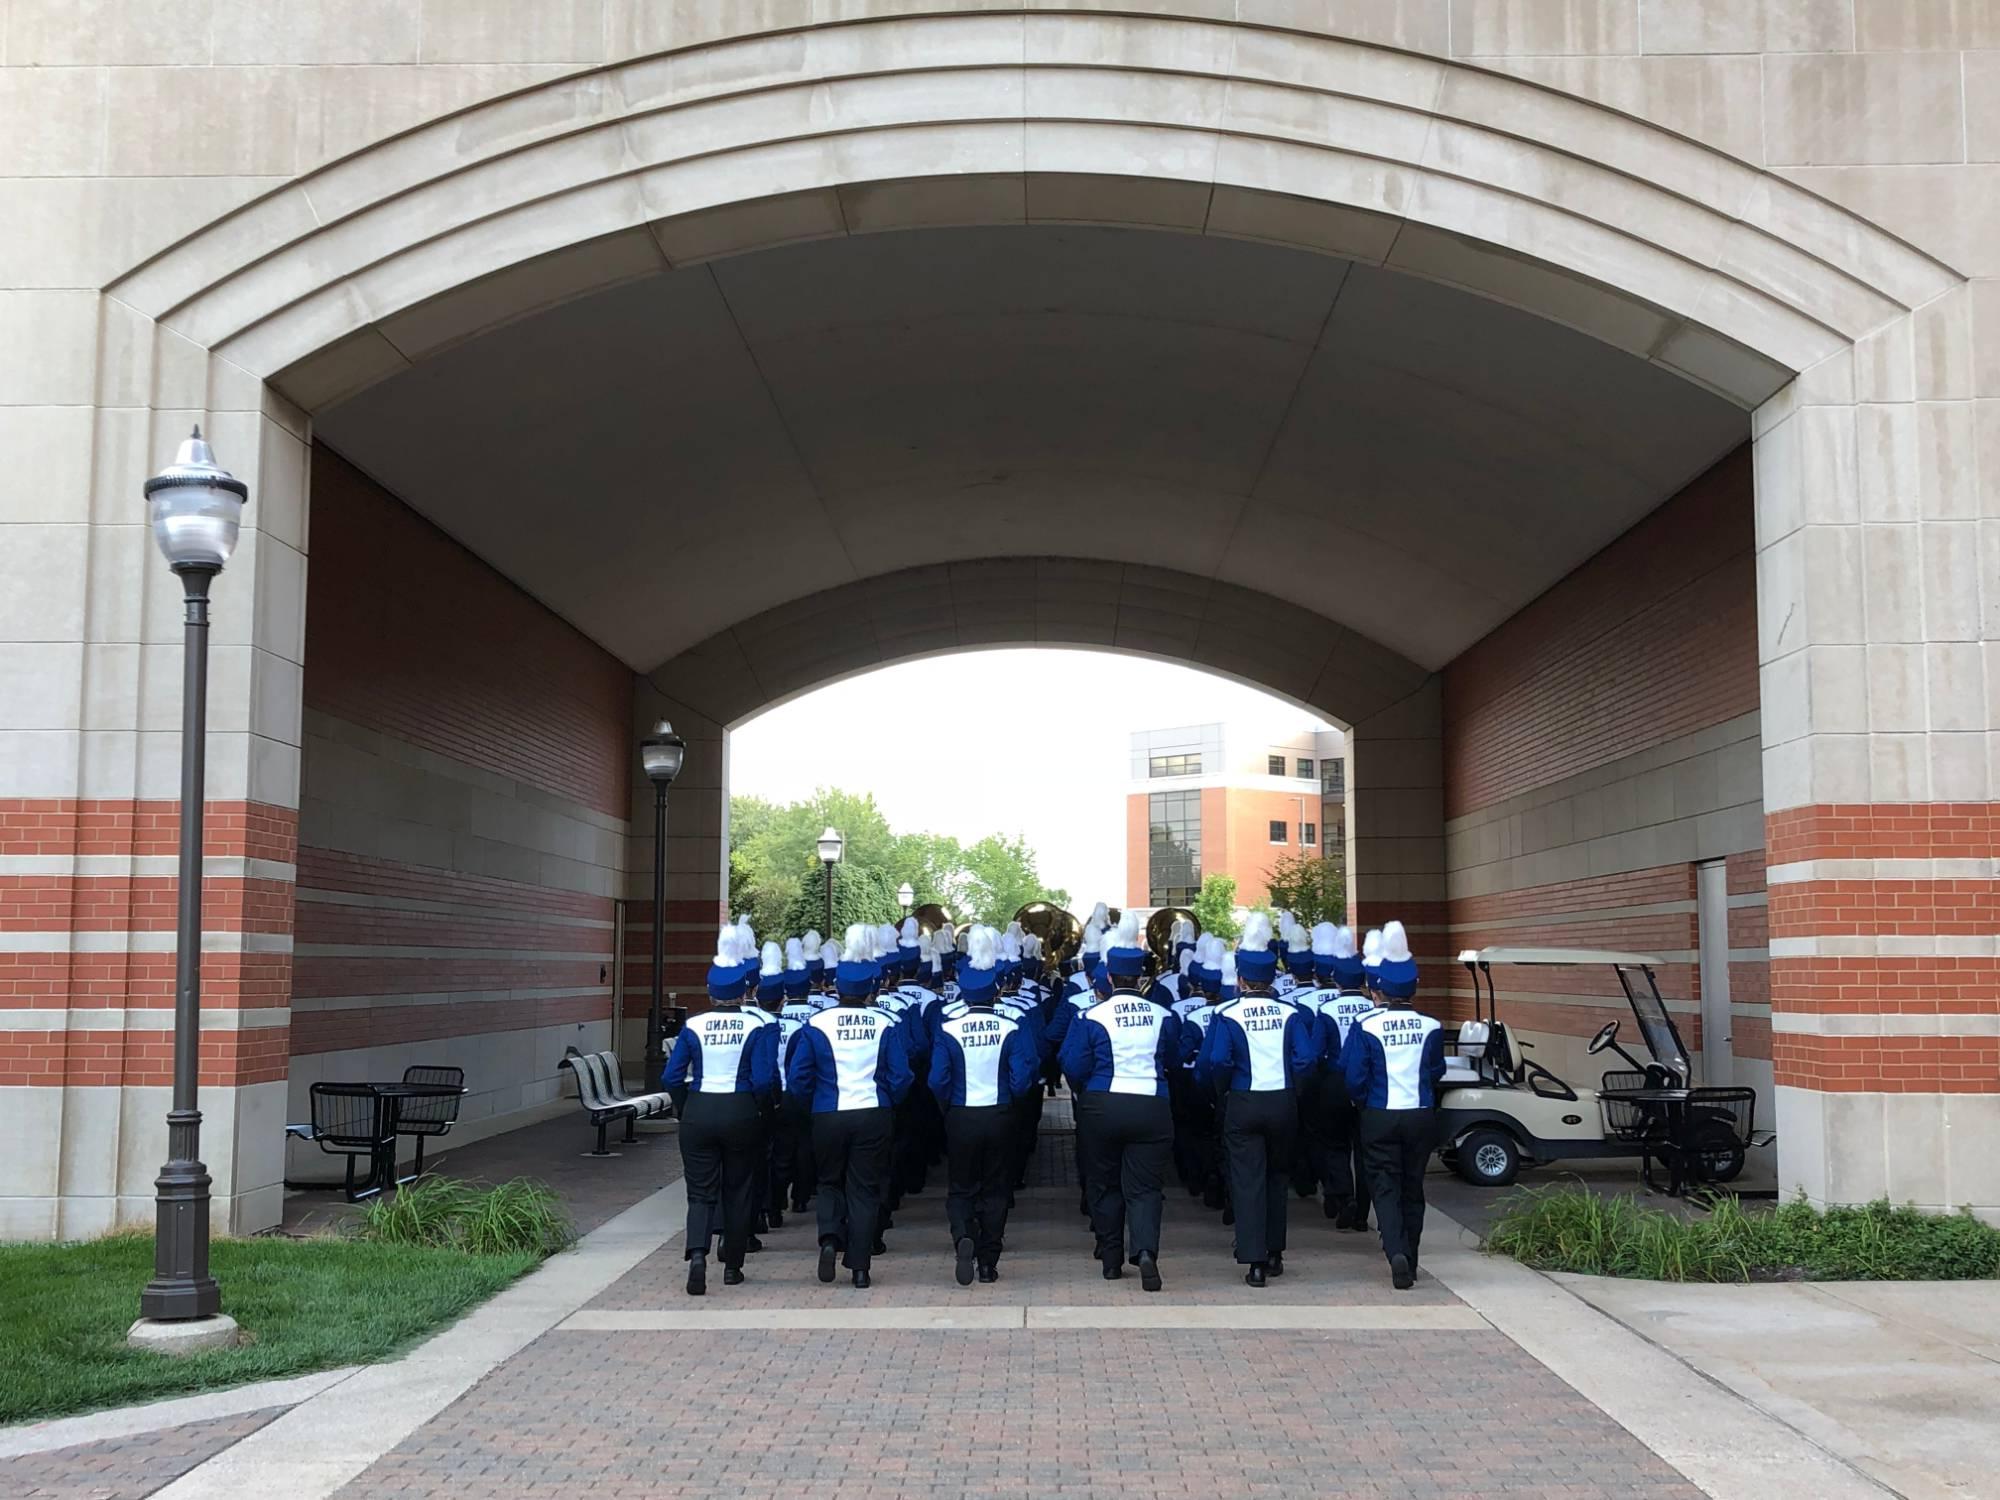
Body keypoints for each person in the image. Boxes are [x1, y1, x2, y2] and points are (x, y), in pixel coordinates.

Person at [1059, 912, 1196, 1291]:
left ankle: (1110, 1257)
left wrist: (1088, 1090)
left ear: (1109, 977)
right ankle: (1147, 1251)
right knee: (1146, 1187)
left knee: (1104, 1183)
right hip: (1151, 1106)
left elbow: (1072, 1064)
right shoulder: (1162, 1014)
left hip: (1102, 1105)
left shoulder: (1090, 1015)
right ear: (1138, 977)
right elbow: (1171, 1060)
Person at [788, 924, 914, 1289]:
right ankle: (860, 1266)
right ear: (871, 988)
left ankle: (829, 1238)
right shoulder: (884, 1022)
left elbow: (798, 1078)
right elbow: (901, 1075)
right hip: (873, 1113)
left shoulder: (815, 1023)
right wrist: (889, 1102)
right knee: (864, 1188)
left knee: (829, 1182)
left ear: (838, 987)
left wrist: (812, 1105)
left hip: (827, 1113)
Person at [1196, 915, 1319, 1286]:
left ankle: (1254, 1261)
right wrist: (1296, 1091)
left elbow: (1215, 1061)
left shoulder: (1226, 1012)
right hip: (1283, 1102)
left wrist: (1223, 1092)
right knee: (1276, 1179)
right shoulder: (1291, 1013)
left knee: (1248, 1180)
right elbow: (1307, 1059)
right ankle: (1276, 1251)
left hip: (1244, 1102)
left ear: (1242, 978)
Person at [662, 929, 778, 1295]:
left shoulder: (693, 1025)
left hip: (699, 1109)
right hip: (741, 1109)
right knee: (738, 1188)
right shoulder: (759, 1024)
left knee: (699, 1191)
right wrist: (762, 1111)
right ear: (743, 991)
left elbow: (671, 1076)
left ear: (711, 993)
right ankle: (732, 1264)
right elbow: (763, 1080)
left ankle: (697, 1254)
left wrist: (685, 1107)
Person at [930, 926, 1040, 1284]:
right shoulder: (1012, 1024)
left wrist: (949, 1107)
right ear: (995, 989)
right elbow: (1025, 1073)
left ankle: (963, 1235)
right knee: (995, 1188)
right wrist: (1011, 1097)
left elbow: (936, 1079)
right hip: (1001, 1113)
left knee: (961, 1186)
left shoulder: (949, 1026)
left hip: (961, 1115)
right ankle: (989, 1260)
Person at [1340, 921, 1445, 1290]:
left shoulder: (1365, 1024)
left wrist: (1363, 1103)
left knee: (1384, 1184)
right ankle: (1412, 1258)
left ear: (1379, 987)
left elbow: (1353, 1076)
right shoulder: (1431, 1026)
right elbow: (1436, 1071)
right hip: (1420, 1116)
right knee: (1413, 1187)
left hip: (1379, 1116)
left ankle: (1395, 1250)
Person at [1304, 923, 1374, 1229]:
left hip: (1333, 1083)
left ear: (1335, 977)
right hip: (1369, 1084)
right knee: (1364, 1148)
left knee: (1334, 1145)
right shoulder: (1373, 1006)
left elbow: (1316, 1051)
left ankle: (1343, 1196)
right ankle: (1362, 1212)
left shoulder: (1329, 1009)